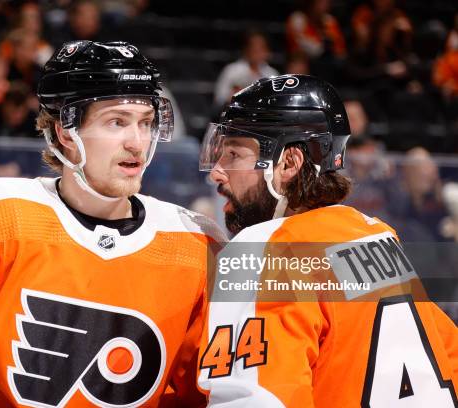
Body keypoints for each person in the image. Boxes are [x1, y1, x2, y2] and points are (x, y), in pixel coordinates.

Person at [0, 40, 225, 407]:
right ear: (66, 131)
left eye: (146, 123)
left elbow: (230, 393)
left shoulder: (197, 241)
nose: (137, 143)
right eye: (117, 122)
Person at [196, 74, 458, 406]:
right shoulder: (375, 233)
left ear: (289, 163)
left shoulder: (266, 250)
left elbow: (260, 399)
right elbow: (449, 357)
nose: (217, 172)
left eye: (233, 155)